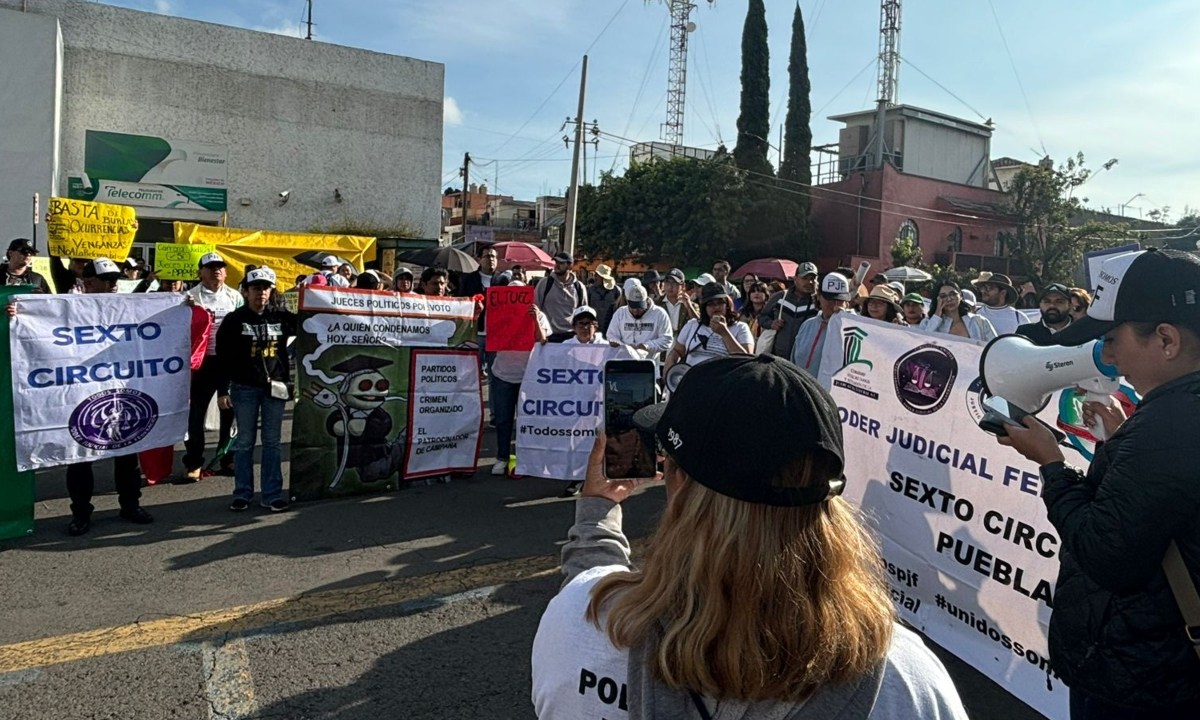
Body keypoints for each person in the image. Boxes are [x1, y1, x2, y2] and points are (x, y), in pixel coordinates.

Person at [532, 354, 969, 719]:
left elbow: (588, 585)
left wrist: (596, 513)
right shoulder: (907, 681)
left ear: (677, 481)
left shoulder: (583, 622)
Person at [994, 248, 1200, 719]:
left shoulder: (1170, 424)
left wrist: (1050, 463)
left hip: (1141, 681)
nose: (1107, 356)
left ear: (1166, 339)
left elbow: (1105, 554)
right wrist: (1121, 440)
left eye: (1112, 339)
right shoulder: (1175, 415)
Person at [6, 258, 154, 535]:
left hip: (119, 394)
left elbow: (157, 322)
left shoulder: (127, 307)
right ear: (88, 283)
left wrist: (184, 308)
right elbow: (40, 327)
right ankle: (81, 513)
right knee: (80, 455)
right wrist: (17, 316)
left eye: (115, 280)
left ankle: (131, 505)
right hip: (80, 394)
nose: (113, 285)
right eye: (107, 280)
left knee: (126, 452)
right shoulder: (66, 309)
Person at [215, 267, 297, 512]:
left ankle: (271, 495)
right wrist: (222, 391)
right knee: (245, 442)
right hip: (244, 388)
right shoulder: (234, 320)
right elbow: (223, 358)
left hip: (276, 388)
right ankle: (242, 493)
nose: (261, 292)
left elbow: (313, 324)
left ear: (272, 291)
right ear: (246, 291)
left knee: (272, 442)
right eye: (255, 288)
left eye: (265, 288)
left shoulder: (282, 317)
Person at [182, 252, 244, 481]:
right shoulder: (188, 296)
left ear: (226, 272)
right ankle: (194, 462)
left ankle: (227, 458)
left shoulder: (235, 297)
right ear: (200, 272)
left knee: (230, 411)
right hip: (201, 362)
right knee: (195, 414)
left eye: (220, 267)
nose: (216, 271)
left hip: (228, 361)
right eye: (210, 267)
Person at [487, 272, 550, 476]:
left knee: (527, 421)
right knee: (504, 420)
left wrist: (535, 319)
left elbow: (544, 341)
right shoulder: (498, 313)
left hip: (528, 376)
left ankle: (526, 458)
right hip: (502, 374)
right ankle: (502, 457)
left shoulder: (537, 313)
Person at [664, 283, 753, 376]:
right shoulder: (693, 325)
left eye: (720, 302)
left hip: (723, 379)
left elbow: (746, 360)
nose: (716, 307)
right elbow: (677, 351)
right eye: (711, 304)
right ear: (704, 307)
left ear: (727, 304)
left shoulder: (740, 327)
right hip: (692, 377)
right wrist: (670, 363)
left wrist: (725, 333)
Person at [790, 272, 853, 380]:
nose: (835, 305)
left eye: (840, 301)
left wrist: (848, 321)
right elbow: (793, 361)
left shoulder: (852, 329)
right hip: (802, 389)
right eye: (830, 300)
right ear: (818, 296)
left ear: (847, 303)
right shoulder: (807, 325)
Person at [758, 262, 819, 358]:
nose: (809, 282)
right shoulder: (780, 296)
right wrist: (771, 323)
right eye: (805, 278)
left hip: (804, 360)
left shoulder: (819, 302)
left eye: (813, 279)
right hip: (777, 358)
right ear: (795, 279)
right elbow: (762, 316)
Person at [606, 280, 673, 361]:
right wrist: (621, 345)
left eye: (639, 308)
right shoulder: (620, 313)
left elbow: (667, 340)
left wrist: (647, 346)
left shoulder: (659, 314)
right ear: (628, 302)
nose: (636, 311)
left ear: (646, 301)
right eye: (633, 307)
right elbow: (612, 335)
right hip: (624, 362)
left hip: (649, 363)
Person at [458, 246, 498, 373]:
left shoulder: (502, 280)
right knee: (472, 371)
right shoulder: (469, 279)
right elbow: (460, 301)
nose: (491, 259)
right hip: (475, 333)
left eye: (493, 256)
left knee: (495, 372)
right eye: (487, 256)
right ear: (479, 259)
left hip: (495, 334)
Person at [536, 252, 588, 342]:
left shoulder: (579, 287)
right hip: (549, 336)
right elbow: (536, 308)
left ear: (570, 266)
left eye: (561, 263)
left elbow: (583, 313)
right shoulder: (544, 283)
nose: (557, 265)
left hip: (572, 336)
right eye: (556, 262)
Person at [920, 282, 997, 342]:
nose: (949, 299)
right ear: (937, 299)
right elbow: (921, 343)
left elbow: (995, 347)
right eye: (943, 296)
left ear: (960, 296)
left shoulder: (979, 321)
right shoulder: (927, 323)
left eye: (953, 294)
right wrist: (936, 317)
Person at [970, 271, 1026, 335]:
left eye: (989, 288)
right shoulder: (974, 313)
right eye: (982, 287)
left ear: (1003, 293)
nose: (983, 291)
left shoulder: (1019, 318)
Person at [659, 268, 698, 334]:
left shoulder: (691, 305)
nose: (670, 287)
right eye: (667, 282)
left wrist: (689, 307)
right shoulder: (656, 304)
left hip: (684, 342)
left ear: (683, 286)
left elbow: (698, 325)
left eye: (674, 283)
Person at [587, 263, 620, 335]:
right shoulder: (591, 290)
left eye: (597, 275)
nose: (595, 277)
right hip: (595, 327)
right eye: (595, 275)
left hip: (611, 327)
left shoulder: (616, 290)